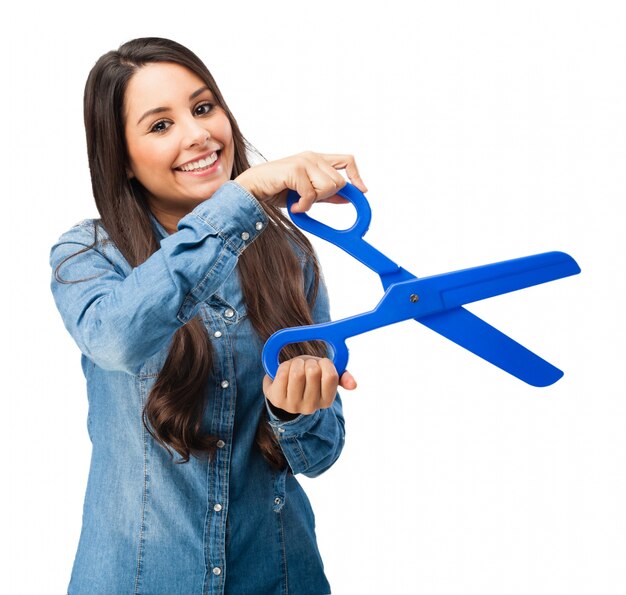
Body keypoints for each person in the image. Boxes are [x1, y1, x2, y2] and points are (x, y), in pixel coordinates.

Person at [49, 37, 367, 595]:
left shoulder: (289, 255)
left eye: (202, 108)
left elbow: (319, 455)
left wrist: (297, 414)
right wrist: (242, 199)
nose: (198, 134)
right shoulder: (87, 255)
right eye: (159, 125)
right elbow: (118, 340)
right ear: (120, 157)